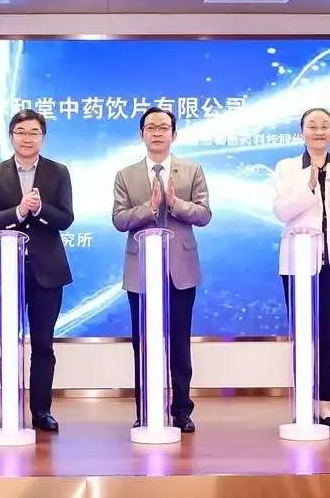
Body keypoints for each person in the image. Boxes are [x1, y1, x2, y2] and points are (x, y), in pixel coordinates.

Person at [112, 106, 211, 433]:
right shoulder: (126, 175)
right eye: (151, 127)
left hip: (180, 270)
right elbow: (119, 219)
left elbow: (204, 214)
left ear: (174, 134)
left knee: (179, 343)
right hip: (141, 271)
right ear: (141, 134)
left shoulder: (192, 170)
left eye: (163, 127)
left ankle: (182, 410)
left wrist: (175, 203)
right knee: (143, 343)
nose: (157, 132)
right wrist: (150, 207)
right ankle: (145, 409)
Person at [0, 109, 74, 432]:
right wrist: (18, 212)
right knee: (8, 343)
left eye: (34, 132)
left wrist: (41, 209)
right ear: (11, 136)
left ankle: (41, 411)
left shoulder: (58, 172)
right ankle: (9, 408)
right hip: (7, 269)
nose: (27, 138)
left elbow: (66, 218)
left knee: (43, 344)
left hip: (48, 270)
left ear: (43, 137)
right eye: (21, 132)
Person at [272, 107, 330, 430]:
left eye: (324, 126)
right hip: (298, 264)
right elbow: (282, 211)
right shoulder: (287, 168)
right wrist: (310, 186)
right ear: (302, 132)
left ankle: (323, 404)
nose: (318, 131)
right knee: (303, 336)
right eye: (312, 126)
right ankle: (302, 403)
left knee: (328, 337)